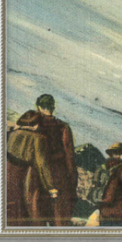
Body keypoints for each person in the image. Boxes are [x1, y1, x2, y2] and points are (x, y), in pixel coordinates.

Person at [32, 93, 77, 226]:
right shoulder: (63, 127)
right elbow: (69, 157)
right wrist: (72, 180)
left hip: (37, 175)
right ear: (53, 107)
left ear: (39, 107)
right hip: (58, 174)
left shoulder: (34, 127)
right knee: (58, 217)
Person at [7, 110, 57, 226]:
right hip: (25, 177)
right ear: (37, 124)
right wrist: (51, 188)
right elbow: (42, 164)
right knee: (29, 209)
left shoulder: (13, 133)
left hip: (8, 173)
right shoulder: (38, 138)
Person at [98, 142, 122, 226]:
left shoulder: (103, 168)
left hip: (104, 212)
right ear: (121, 154)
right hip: (120, 213)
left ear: (111, 154)